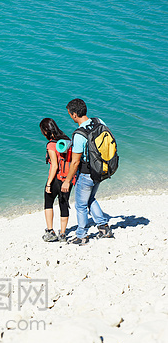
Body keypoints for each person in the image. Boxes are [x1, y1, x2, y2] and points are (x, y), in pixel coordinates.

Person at [61, 98, 113, 245]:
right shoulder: (99, 121)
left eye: (70, 114)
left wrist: (67, 180)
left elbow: (75, 162)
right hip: (101, 169)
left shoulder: (79, 135)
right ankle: (103, 228)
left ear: (75, 114)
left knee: (81, 205)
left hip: (86, 174)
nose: (70, 116)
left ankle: (81, 235)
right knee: (90, 199)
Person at [39, 118, 75, 242]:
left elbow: (54, 166)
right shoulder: (66, 140)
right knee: (63, 204)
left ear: (45, 131)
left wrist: (49, 183)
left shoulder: (51, 144)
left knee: (48, 203)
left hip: (56, 179)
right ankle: (63, 234)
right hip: (68, 179)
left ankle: (50, 231)